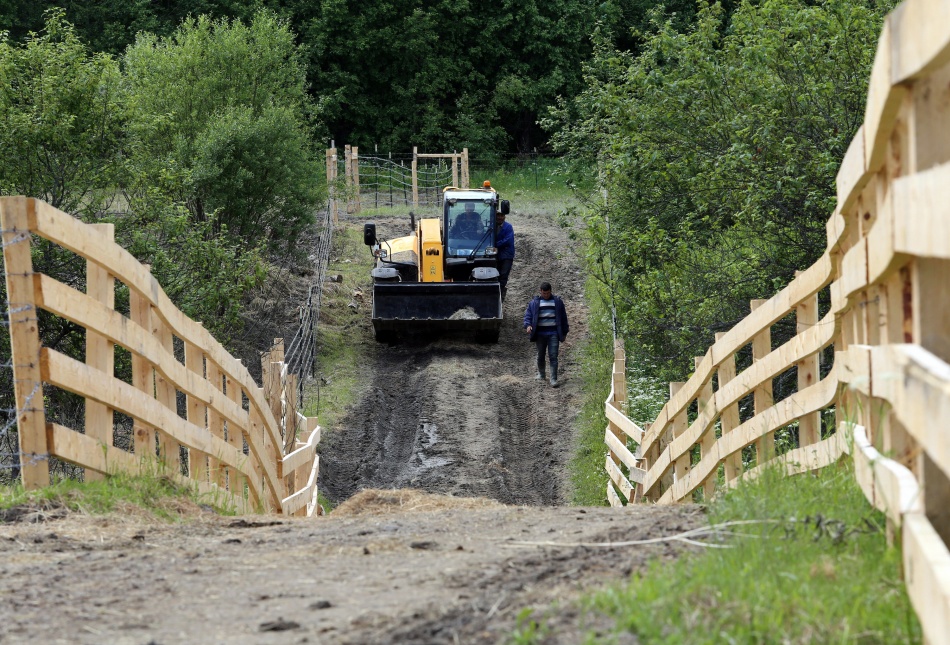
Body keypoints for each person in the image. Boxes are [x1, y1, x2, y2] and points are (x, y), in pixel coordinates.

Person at [523, 281, 569, 387]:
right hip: (540, 333)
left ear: (550, 291)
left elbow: (563, 317)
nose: (546, 295)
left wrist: (565, 331)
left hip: (553, 333)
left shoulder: (557, 302)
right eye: (544, 293)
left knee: (553, 356)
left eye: (548, 293)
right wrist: (528, 325)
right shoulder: (534, 303)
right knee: (540, 355)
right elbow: (528, 316)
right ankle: (541, 374)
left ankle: (553, 379)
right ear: (540, 291)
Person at [495, 208, 514, 299]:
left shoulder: (508, 227)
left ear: (504, 217)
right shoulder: (492, 226)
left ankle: (501, 293)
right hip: (495, 254)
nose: (500, 217)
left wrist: (495, 245)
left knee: (503, 274)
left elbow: (508, 240)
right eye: (498, 215)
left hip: (506, 255)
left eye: (501, 215)